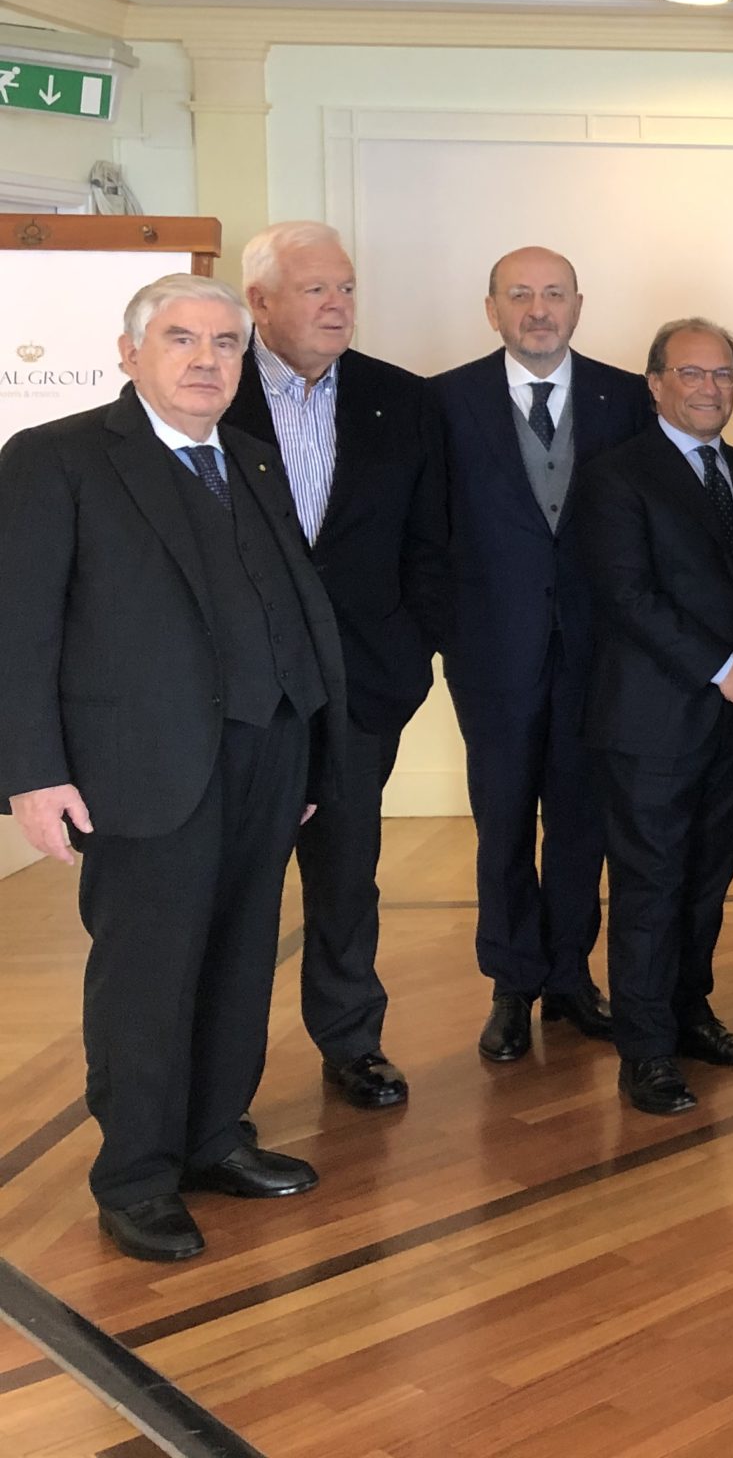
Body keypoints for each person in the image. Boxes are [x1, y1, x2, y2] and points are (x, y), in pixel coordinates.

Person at [2, 276, 349, 1262]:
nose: (207, 360)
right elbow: (17, 626)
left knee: (240, 960)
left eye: (225, 344)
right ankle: (136, 1177)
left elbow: (289, 611)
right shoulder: (56, 458)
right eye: (181, 340)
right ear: (129, 354)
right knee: (147, 978)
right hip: (139, 768)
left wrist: (310, 755)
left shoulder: (251, 458)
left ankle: (212, 1140)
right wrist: (31, 773)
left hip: (268, 754)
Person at [225, 221, 444, 1111]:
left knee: (348, 875)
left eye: (345, 288)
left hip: (362, 686)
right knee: (238, 886)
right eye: (315, 289)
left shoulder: (403, 399)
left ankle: (352, 1040)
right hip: (242, 694)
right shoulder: (210, 390)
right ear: (259, 302)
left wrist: (409, 652)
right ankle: (221, 1073)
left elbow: (432, 545)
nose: (337, 304)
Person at [434, 247, 651, 1064]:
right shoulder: (444, 401)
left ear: (578, 306)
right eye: (519, 294)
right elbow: (426, 531)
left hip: (598, 653)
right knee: (501, 823)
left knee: (580, 820)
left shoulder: (626, 396)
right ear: (491, 309)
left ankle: (569, 976)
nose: (538, 309)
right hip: (492, 653)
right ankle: (511, 983)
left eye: (553, 294)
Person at [578, 319, 733, 1116]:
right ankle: (646, 1051)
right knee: (650, 886)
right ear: (656, 383)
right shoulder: (616, 475)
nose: (708, 388)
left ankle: (692, 1015)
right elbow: (628, 596)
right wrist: (725, 668)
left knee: (708, 880)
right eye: (691, 373)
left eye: (722, 373)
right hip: (650, 722)